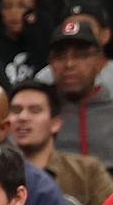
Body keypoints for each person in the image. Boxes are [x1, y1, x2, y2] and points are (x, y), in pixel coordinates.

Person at [9, 80, 113, 205]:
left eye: (35, 110)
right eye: (16, 110)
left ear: (55, 123)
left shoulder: (88, 171)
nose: (22, 117)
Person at [43, 17, 113, 165]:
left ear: (99, 62)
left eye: (80, 55)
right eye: (60, 57)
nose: (69, 64)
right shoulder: (40, 114)